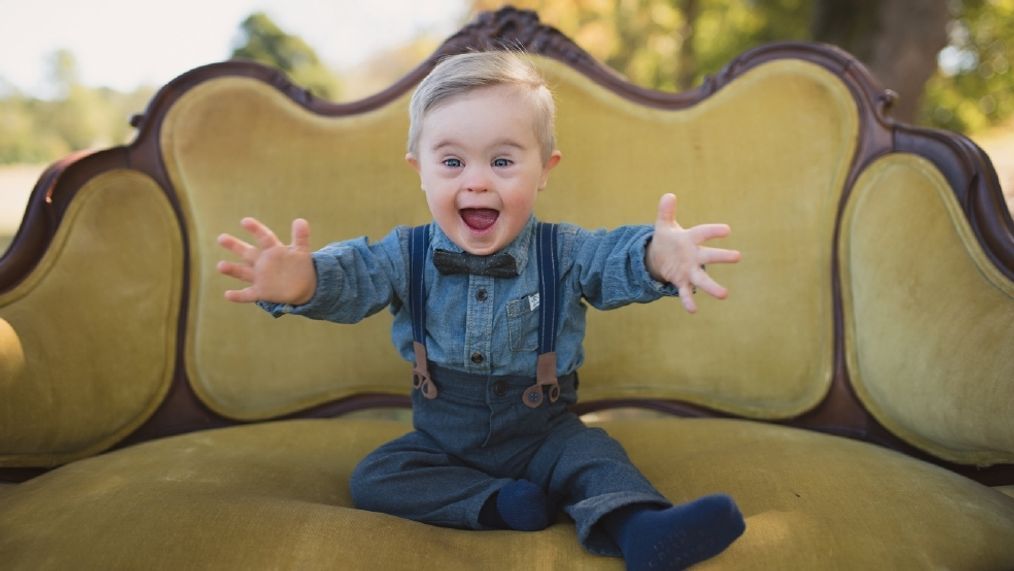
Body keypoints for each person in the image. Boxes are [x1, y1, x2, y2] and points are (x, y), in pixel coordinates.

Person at [217, 50, 745, 570]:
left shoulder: (562, 251)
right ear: (419, 170)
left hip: (545, 434)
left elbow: (612, 259)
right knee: (376, 477)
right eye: (451, 162)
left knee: (596, 459)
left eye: (502, 161)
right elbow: (352, 276)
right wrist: (303, 280)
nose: (476, 181)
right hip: (442, 443)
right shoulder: (405, 254)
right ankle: (496, 503)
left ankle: (642, 529)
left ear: (543, 170)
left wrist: (656, 256)